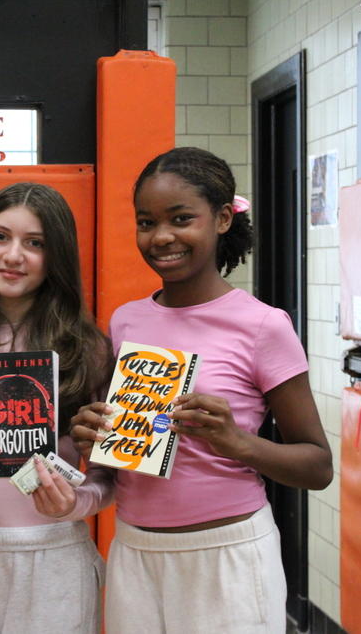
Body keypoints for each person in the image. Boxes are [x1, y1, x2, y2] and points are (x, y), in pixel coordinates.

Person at [64, 147, 333, 634]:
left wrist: (236, 442)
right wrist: (95, 442)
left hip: (227, 554)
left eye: (181, 218)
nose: (161, 237)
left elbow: (318, 466)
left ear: (224, 218)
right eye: (146, 222)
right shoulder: (127, 320)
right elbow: (119, 458)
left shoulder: (263, 326)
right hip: (134, 551)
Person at [0, 182, 114, 634]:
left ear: (58, 257)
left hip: (59, 555)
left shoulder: (90, 352)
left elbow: (114, 476)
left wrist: (75, 504)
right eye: (0, 237)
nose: (13, 255)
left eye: (35, 243)